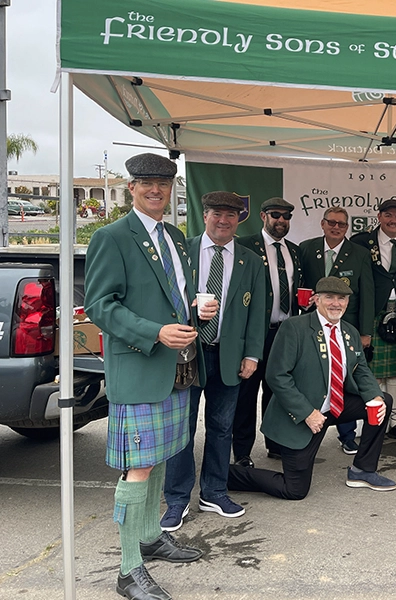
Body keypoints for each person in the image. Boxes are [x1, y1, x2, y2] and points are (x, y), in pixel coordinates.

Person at [85, 153, 215, 600]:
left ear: (173, 187)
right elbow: (100, 305)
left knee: (159, 456)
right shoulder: (112, 236)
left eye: (164, 182)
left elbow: (174, 295)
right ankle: (127, 569)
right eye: (147, 182)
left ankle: (149, 537)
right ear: (131, 186)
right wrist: (154, 332)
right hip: (141, 367)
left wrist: (196, 310)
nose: (156, 189)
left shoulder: (177, 237)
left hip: (178, 367)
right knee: (137, 467)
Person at [226, 277, 396, 500]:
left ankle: (362, 470)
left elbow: (360, 370)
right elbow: (276, 376)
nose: (336, 303)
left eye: (342, 298)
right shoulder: (294, 328)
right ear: (316, 300)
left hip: (334, 407)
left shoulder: (350, 332)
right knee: (294, 490)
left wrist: (375, 397)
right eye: (329, 297)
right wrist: (307, 413)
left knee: (384, 400)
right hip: (303, 415)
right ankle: (226, 474)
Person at [162, 191, 266, 531]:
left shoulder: (250, 260)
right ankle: (176, 499)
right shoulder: (182, 251)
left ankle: (214, 492)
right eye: (217, 214)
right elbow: (166, 299)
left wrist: (252, 354)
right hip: (187, 355)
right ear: (204, 215)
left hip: (229, 355)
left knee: (221, 428)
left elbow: (258, 313)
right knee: (182, 429)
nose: (224, 220)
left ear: (239, 220)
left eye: (231, 215)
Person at [233, 197, 304, 467]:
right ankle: (242, 452)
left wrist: (303, 301)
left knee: (278, 392)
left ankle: (275, 444)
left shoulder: (294, 251)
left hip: (285, 333)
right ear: (263, 215)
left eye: (286, 217)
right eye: (276, 215)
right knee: (247, 394)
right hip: (255, 333)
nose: (281, 221)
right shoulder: (245, 245)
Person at [300, 207, 375, 454]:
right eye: (331, 222)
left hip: (347, 327)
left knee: (346, 378)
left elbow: (367, 293)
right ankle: (308, 428)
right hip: (312, 326)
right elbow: (298, 287)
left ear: (347, 228)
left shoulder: (360, 253)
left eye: (342, 224)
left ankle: (347, 435)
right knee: (311, 376)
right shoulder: (306, 249)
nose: (336, 227)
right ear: (322, 224)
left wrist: (365, 332)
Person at [352, 199, 396, 443]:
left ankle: (395, 422)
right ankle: (374, 422)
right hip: (373, 312)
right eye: (388, 215)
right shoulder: (361, 242)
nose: (393, 220)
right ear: (379, 216)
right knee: (373, 372)